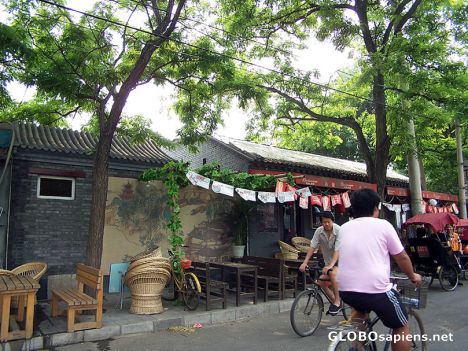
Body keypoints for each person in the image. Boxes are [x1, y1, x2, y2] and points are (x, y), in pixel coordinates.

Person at [337, 189, 422, 351]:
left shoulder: (344, 228)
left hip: (346, 290)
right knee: (401, 327)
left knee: (360, 311)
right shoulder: (383, 225)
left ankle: (358, 345)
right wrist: (412, 276)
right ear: (376, 208)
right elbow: (402, 257)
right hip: (376, 291)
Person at [299, 211, 342, 315]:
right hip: (329, 262)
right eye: (324, 222)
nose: (326, 224)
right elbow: (312, 247)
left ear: (333, 221)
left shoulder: (339, 230)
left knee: (332, 273)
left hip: (342, 262)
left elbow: (338, 250)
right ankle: (335, 302)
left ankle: (337, 301)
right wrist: (304, 263)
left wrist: (331, 265)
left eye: (328, 222)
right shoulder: (319, 231)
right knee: (321, 282)